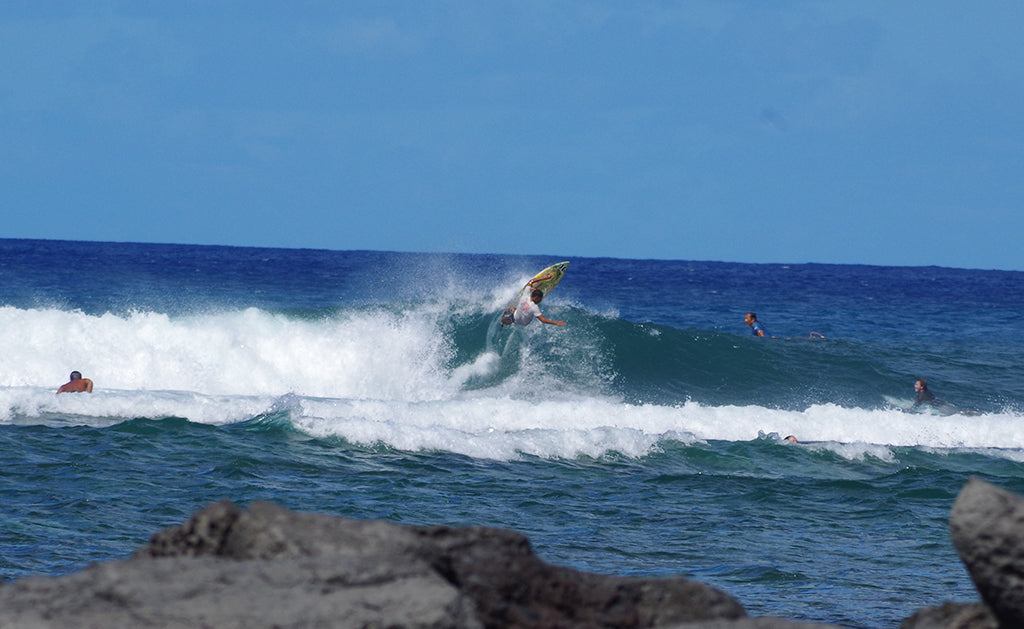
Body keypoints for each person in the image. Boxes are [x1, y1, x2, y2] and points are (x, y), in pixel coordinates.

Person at [908, 378, 979, 415]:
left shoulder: (922, 395)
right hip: (943, 405)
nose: (915, 386)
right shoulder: (926, 392)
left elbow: (916, 405)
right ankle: (970, 412)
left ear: (922, 386)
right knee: (956, 413)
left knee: (956, 414)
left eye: (916, 385)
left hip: (942, 407)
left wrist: (909, 410)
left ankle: (970, 412)